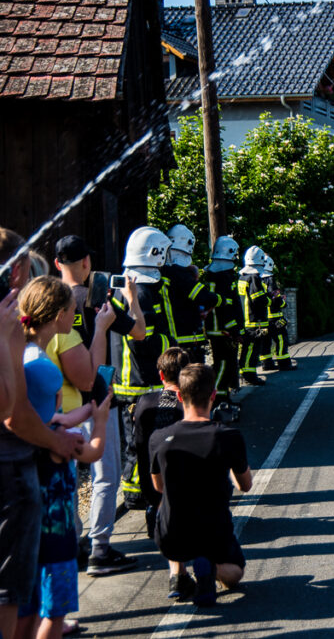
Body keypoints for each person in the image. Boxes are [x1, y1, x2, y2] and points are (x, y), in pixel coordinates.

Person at [14, 276, 113, 639]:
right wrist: (99, 421)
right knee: (54, 612)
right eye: (72, 311)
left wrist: (79, 415)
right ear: (58, 315)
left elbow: (46, 417)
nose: (75, 316)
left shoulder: (20, 355)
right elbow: (93, 450)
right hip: (54, 519)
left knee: (23, 611)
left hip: (22, 504)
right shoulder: (40, 368)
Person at [0, 228, 82, 639]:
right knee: (15, 591)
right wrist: (59, 439)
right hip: (20, 473)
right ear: (16, 269)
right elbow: (11, 411)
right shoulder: (15, 335)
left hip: (25, 471)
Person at [53, 234, 143, 575]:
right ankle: (100, 548)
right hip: (99, 398)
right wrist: (131, 299)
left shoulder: (49, 302)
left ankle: (74, 538)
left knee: (66, 477)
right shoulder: (97, 300)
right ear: (87, 263)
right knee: (105, 476)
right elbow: (139, 332)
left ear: (57, 263)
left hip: (60, 403)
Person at [150, 364, 252, 606]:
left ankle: (178, 574)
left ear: (178, 396)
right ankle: (209, 566)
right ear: (213, 395)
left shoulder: (159, 438)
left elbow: (159, 487)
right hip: (213, 532)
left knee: (166, 502)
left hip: (172, 536)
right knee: (235, 572)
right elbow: (245, 486)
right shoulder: (227, 436)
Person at [111, 227, 174, 547]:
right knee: (143, 441)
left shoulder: (130, 285)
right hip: (143, 382)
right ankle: (137, 495)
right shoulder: (142, 290)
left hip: (137, 381)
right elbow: (144, 339)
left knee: (138, 440)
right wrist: (171, 347)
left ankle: (139, 491)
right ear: (155, 254)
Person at [132, 348, 188, 537]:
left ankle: (155, 510)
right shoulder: (190, 405)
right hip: (181, 485)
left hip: (151, 484)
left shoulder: (144, 402)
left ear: (161, 375)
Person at [161, 224, 220, 366]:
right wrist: (221, 299)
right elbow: (205, 297)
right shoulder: (180, 274)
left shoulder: (162, 272)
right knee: (193, 376)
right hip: (186, 340)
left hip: (169, 340)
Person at [203, 236, 244, 407]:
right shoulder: (223, 277)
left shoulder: (213, 275)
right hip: (222, 330)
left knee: (225, 363)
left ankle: (222, 395)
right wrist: (234, 330)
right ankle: (219, 398)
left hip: (218, 328)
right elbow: (227, 307)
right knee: (224, 364)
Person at [237, 246, 269, 386]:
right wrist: (270, 300)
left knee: (247, 349)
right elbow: (259, 299)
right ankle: (249, 375)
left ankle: (246, 373)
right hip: (254, 321)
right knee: (252, 349)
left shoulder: (242, 277)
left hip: (245, 319)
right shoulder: (254, 277)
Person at [261, 255, 294, 372]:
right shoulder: (270, 279)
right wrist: (283, 302)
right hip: (275, 318)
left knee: (265, 342)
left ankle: (266, 364)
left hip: (263, 319)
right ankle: (284, 364)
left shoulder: (255, 279)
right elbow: (275, 299)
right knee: (281, 340)